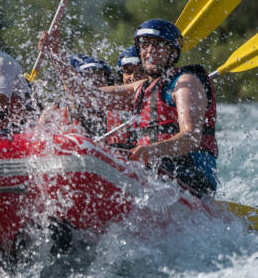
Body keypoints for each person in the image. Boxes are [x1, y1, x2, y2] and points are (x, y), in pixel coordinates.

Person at [41, 19, 218, 196]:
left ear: (172, 52)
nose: (150, 51)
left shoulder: (186, 82)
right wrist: (56, 55)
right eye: (145, 45)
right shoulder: (140, 88)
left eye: (158, 46)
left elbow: (191, 137)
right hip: (154, 173)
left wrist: (150, 151)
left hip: (190, 176)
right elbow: (83, 95)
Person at [39, 54, 113, 137]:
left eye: (98, 81)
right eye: (86, 81)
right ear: (67, 86)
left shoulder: (116, 109)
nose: (92, 87)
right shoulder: (53, 114)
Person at [105, 46, 148, 148]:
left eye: (141, 71)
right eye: (128, 71)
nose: (133, 77)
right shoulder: (112, 105)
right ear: (121, 76)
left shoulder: (164, 98)